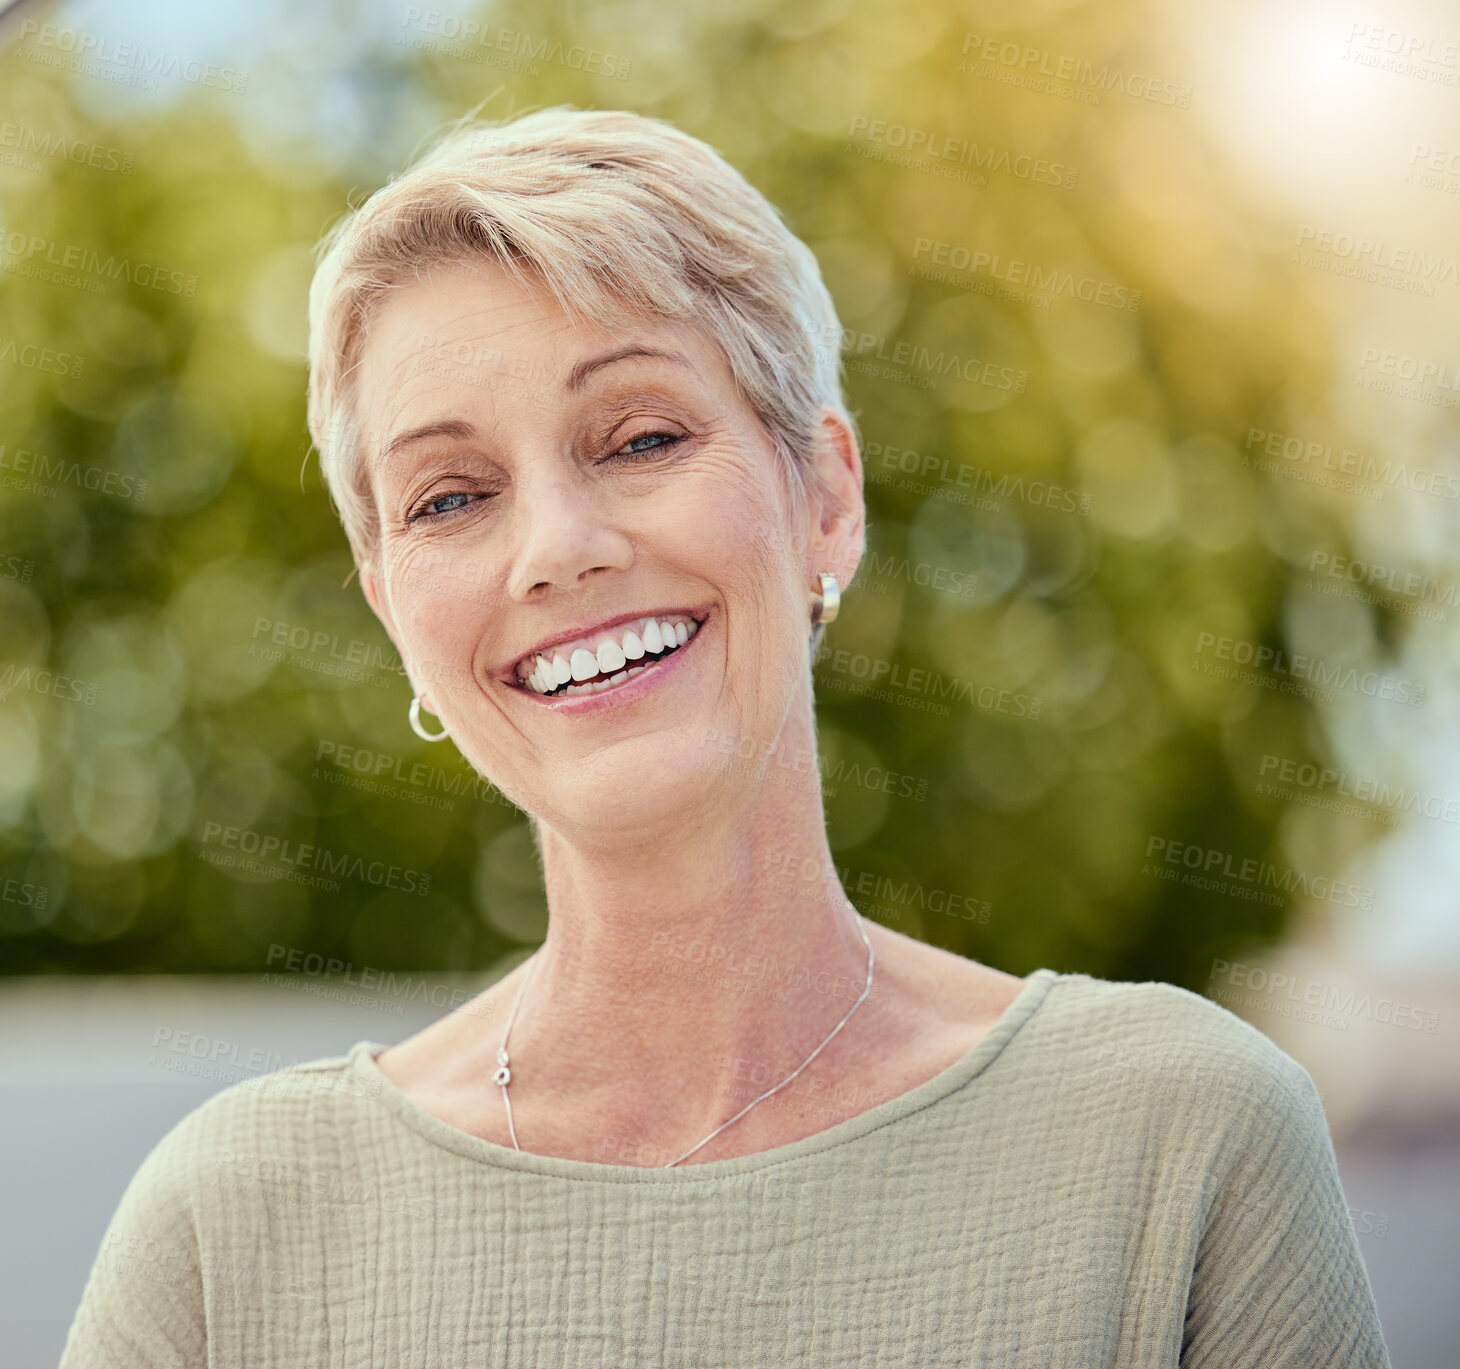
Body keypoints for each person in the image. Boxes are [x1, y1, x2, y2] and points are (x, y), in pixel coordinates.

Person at [59, 104, 1392, 1367]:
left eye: (639, 436)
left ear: (824, 498)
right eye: (452, 495)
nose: (558, 550)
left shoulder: (1178, 1142)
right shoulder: (233, 1228)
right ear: (393, 608)